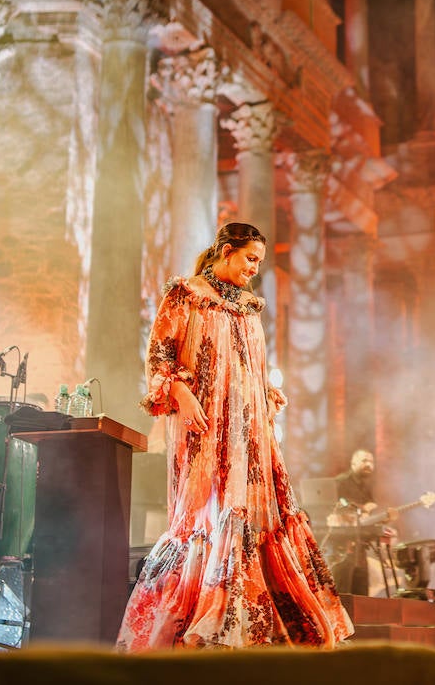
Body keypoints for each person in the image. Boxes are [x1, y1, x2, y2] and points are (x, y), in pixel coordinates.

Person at [117, 222, 352, 650]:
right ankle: (203, 622)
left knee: (258, 514)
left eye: (259, 262)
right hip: (206, 425)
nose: (254, 269)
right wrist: (182, 395)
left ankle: (254, 629)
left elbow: (248, 366)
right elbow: (160, 354)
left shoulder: (248, 306)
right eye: (249, 259)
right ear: (226, 251)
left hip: (250, 429)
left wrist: (263, 392)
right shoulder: (186, 294)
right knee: (207, 513)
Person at [326, 449, 398, 596]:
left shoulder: (367, 486)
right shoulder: (341, 482)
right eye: (364, 461)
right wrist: (360, 508)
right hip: (342, 544)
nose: (369, 464)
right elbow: (334, 506)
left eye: (371, 462)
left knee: (361, 589)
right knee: (343, 587)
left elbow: (366, 516)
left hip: (360, 543)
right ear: (353, 463)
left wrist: (382, 518)